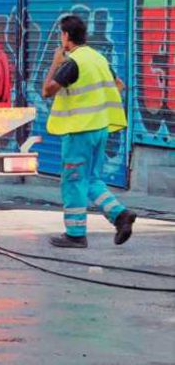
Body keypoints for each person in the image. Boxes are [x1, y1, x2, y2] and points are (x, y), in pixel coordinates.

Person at [42, 15, 135, 248]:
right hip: (100, 128)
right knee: (91, 179)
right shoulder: (98, 58)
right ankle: (120, 215)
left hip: (79, 131)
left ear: (66, 36)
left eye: (60, 35)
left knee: (73, 181)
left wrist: (55, 62)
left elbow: (47, 90)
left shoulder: (73, 62)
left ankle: (75, 234)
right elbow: (120, 86)